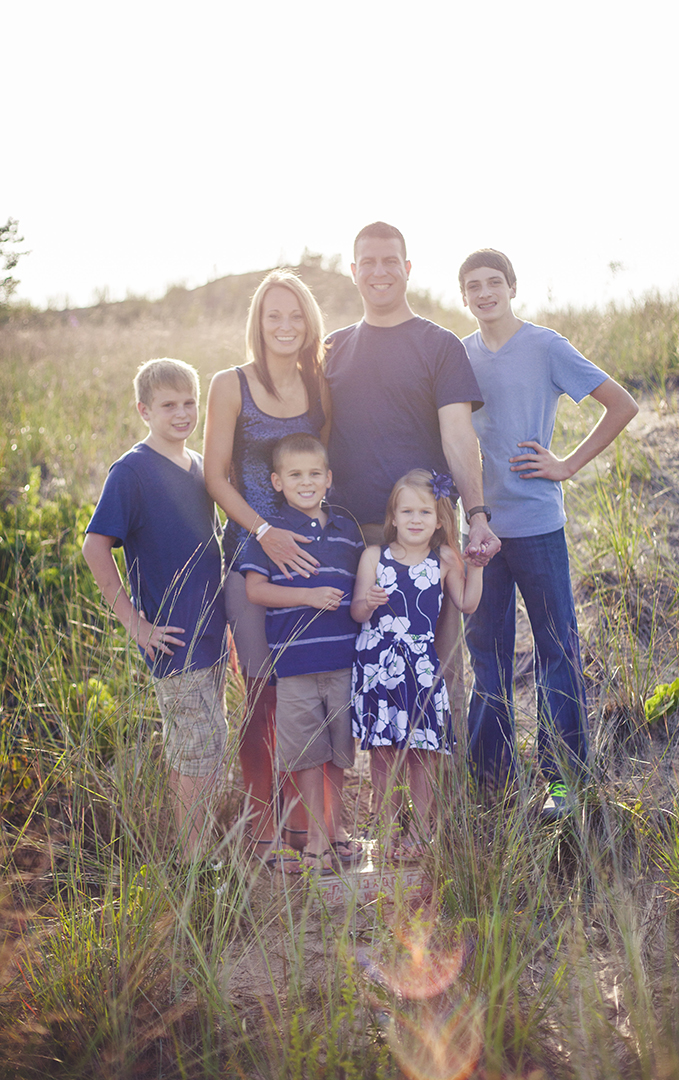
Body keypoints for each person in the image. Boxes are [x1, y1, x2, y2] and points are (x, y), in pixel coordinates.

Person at [458, 248, 639, 817]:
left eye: (494, 282)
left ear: (512, 287)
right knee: (486, 655)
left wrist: (566, 465)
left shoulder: (544, 346)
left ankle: (561, 783)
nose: (485, 293)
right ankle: (492, 781)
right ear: (463, 296)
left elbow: (621, 404)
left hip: (537, 524)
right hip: (482, 531)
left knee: (555, 651)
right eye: (473, 285)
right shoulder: (459, 357)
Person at [325, 221, 500, 722]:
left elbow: (459, 437)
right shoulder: (331, 350)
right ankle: (377, 788)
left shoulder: (439, 345)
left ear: (406, 269)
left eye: (389, 262)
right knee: (358, 661)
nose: (379, 272)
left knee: (439, 663)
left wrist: (478, 515)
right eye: (368, 262)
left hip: (426, 529)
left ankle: (447, 795)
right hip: (352, 533)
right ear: (354, 271)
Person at [203, 269, 331, 854]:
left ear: (309, 323)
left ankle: (310, 830)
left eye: (295, 315)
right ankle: (264, 834)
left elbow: (323, 471)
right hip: (250, 561)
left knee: (305, 697)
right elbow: (214, 477)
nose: (284, 325)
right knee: (259, 698)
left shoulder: (319, 386)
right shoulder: (231, 384)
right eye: (273, 315)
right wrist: (264, 531)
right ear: (258, 322)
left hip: (308, 564)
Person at [83, 358, 228, 863]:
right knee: (198, 749)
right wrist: (134, 623)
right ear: (144, 410)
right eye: (169, 405)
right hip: (173, 637)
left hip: (211, 630)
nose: (183, 413)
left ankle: (201, 849)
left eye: (190, 402)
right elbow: (95, 546)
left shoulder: (196, 466)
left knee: (205, 745)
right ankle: (194, 863)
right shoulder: (132, 471)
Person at [240, 433, 364, 873]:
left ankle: (335, 830)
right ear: (277, 481)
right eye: (295, 475)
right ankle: (313, 834)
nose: (306, 482)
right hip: (294, 666)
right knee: (307, 753)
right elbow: (255, 590)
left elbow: (362, 585)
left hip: (343, 664)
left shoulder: (347, 531)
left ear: (329, 478)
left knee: (337, 752)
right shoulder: (271, 533)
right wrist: (309, 597)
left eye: (315, 474)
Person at [350, 469, 484, 859]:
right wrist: (368, 603)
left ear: (439, 520)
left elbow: (468, 603)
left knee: (423, 754)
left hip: (422, 668)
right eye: (406, 511)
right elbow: (357, 611)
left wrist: (475, 566)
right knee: (383, 755)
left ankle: (421, 836)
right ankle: (388, 833)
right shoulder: (374, 556)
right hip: (377, 667)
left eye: (424, 512)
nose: (414, 519)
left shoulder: (444, 559)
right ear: (392, 516)